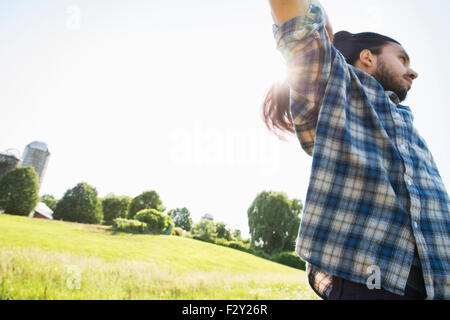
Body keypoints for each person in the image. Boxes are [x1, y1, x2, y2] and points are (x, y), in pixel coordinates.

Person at [264, 0, 450, 300]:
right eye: (403, 58)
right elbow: (297, 25)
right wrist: (323, 18)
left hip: (435, 282)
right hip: (372, 281)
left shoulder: (406, 122)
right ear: (367, 57)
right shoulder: (338, 87)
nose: (412, 71)